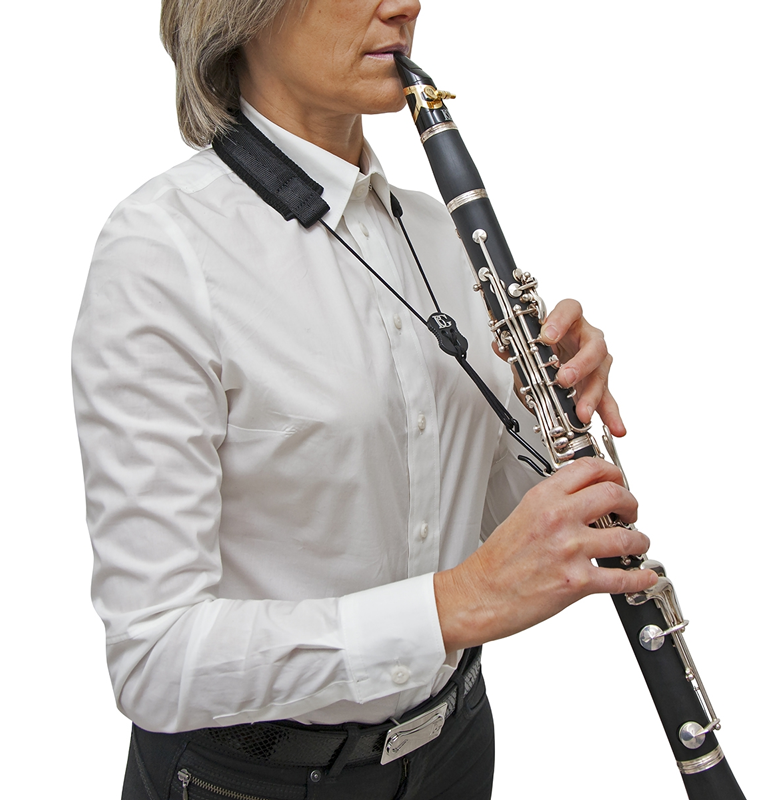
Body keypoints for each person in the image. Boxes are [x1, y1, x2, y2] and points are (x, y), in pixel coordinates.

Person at [72, 1, 657, 797]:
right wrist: (450, 606)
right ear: (243, 14)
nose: (406, 5)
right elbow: (153, 659)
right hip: (247, 781)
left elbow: (503, 522)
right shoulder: (161, 252)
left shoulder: (442, 234)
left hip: (454, 747)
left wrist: (553, 410)